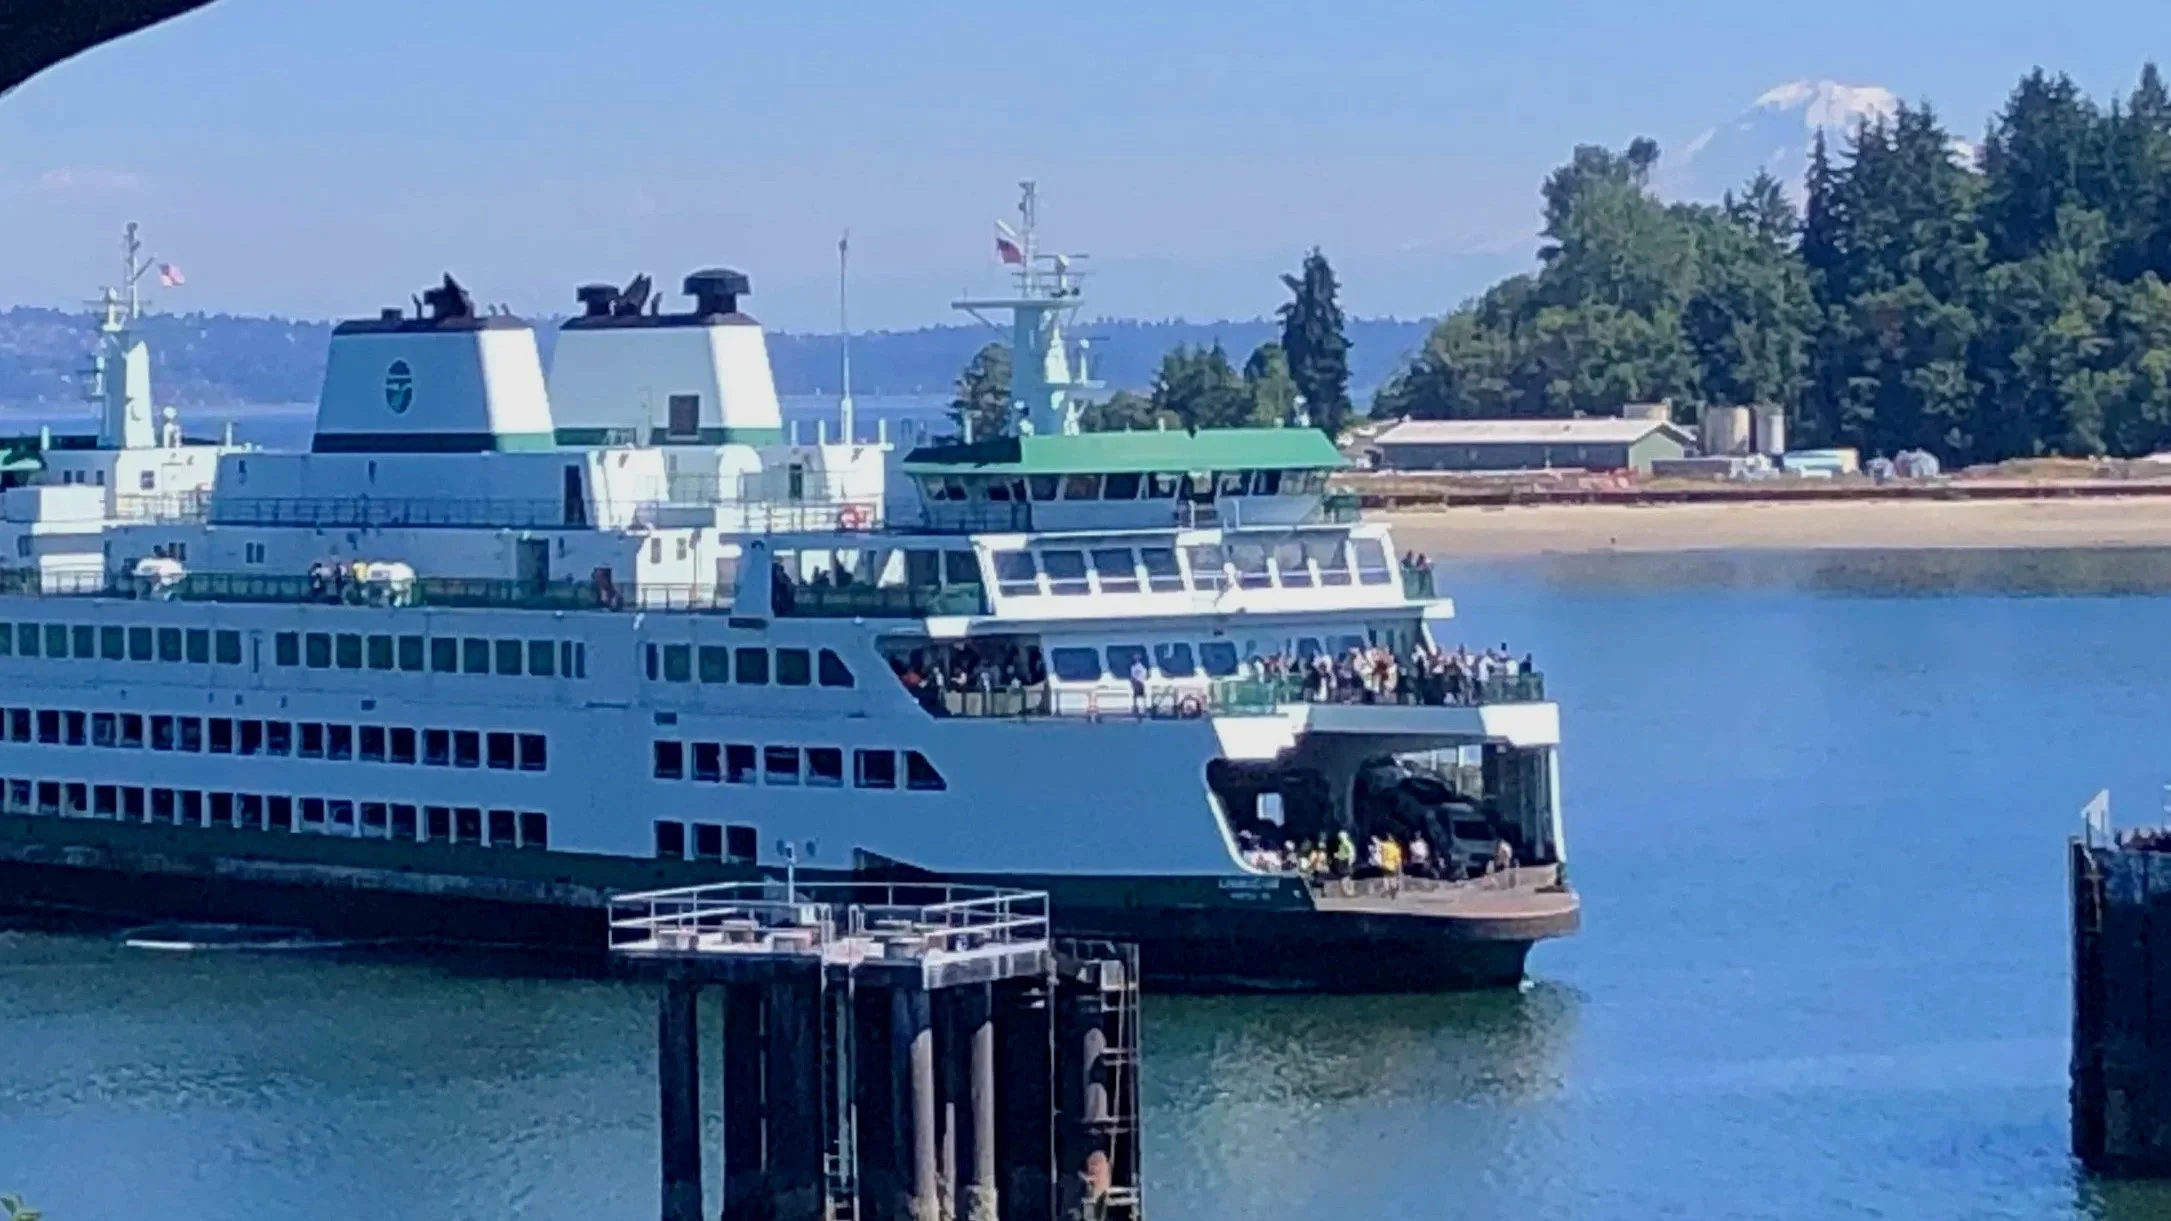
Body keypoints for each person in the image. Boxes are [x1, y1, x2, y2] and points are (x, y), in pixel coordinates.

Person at [1332, 830, 1357, 896]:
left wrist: (1339, 855)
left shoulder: (1346, 844)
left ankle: (1349, 892)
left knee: (1345, 878)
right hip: (1343, 863)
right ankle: (1349, 892)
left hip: (1345, 863)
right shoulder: (1343, 844)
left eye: (1340, 837)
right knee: (1345, 878)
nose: (1339, 838)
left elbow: (1350, 854)